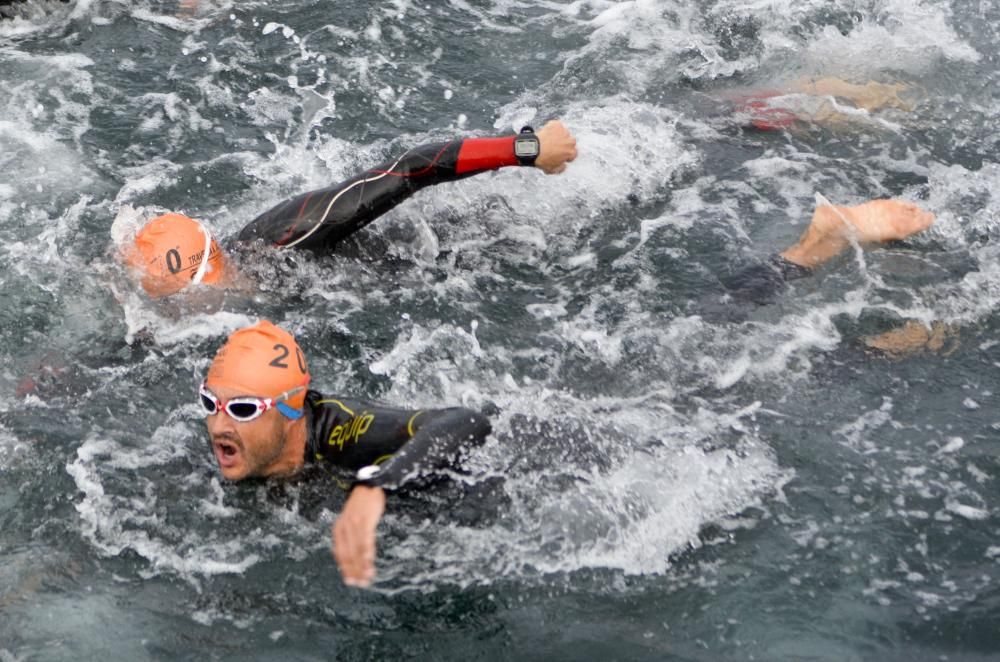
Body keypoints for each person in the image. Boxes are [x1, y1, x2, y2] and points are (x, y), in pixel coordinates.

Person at [127, 121, 578, 296]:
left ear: (201, 283)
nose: (164, 317)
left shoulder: (290, 235)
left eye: (170, 303)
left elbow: (410, 169)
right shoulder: (214, 304)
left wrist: (526, 149)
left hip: (448, 247)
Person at [200, 319, 491, 587]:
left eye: (243, 409)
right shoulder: (225, 447)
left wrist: (377, 487)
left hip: (484, 485)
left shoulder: (347, 432)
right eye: (211, 403)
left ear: (290, 411)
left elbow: (468, 422)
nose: (219, 426)